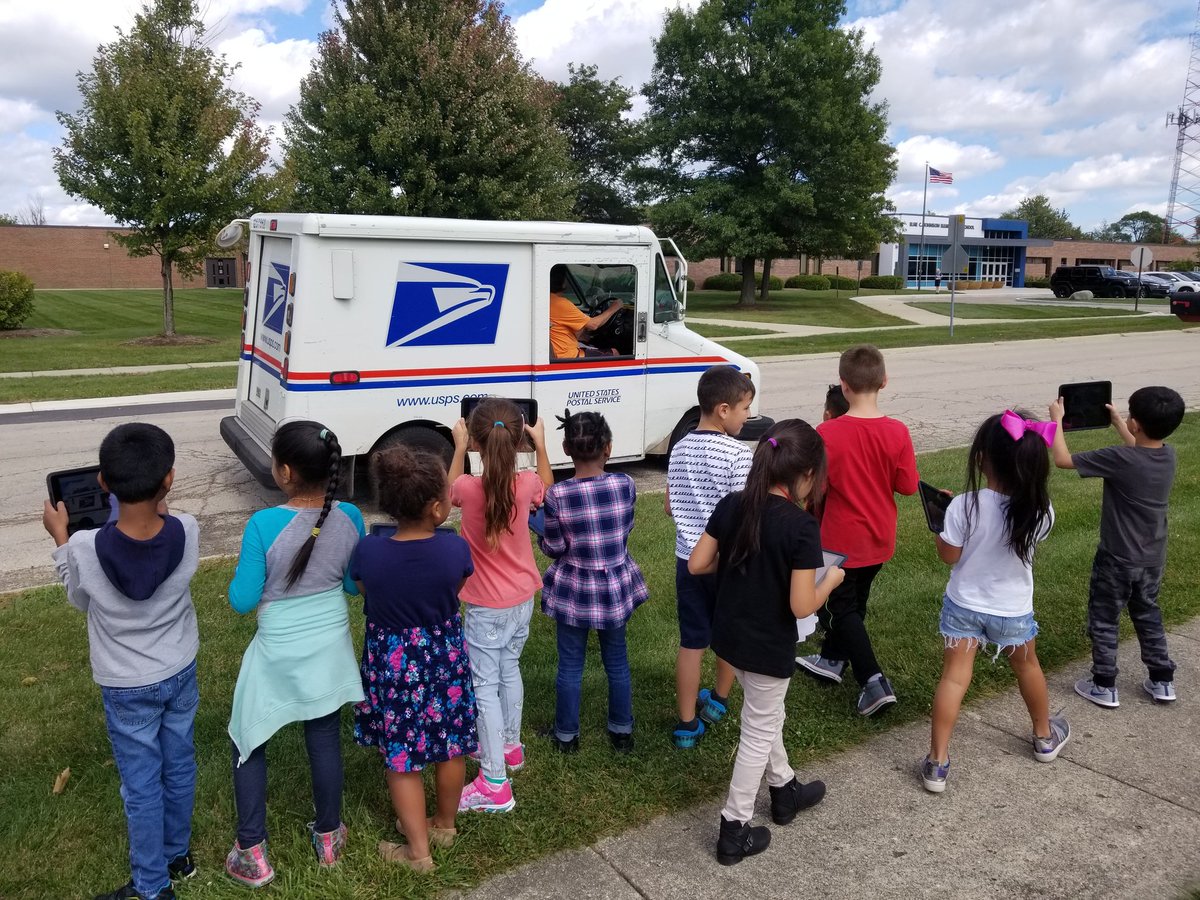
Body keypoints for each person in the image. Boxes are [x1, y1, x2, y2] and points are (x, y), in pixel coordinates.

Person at [43, 423, 200, 900]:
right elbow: (157, 541)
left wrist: (58, 539)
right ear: (169, 479)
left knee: (141, 784)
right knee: (179, 764)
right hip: (179, 670)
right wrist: (160, 507)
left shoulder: (84, 547)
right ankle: (177, 855)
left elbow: (79, 600)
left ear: (104, 484)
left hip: (125, 682)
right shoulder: (188, 529)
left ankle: (152, 887)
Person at [689, 419, 839, 865]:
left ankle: (785, 789)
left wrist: (743, 568)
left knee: (766, 711)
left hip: (730, 637)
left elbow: (698, 564)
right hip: (768, 644)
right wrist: (830, 580)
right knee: (758, 729)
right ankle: (733, 829)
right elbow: (801, 606)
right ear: (807, 475)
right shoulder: (800, 527)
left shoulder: (733, 504)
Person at [224, 422, 366, 887]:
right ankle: (329, 836)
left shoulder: (262, 524)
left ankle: (251, 851)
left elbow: (243, 600)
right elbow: (350, 584)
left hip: (278, 649)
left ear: (283, 471)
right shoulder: (350, 516)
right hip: (329, 643)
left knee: (247, 738)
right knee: (324, 736)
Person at [921, 410, 1070, 794]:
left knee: (954, 678)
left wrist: (942, 523)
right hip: (1013, 611)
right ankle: (1043, 736)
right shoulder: (1041, 511)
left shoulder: (963, 506)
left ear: (982, 458)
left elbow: (949, 556)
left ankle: (937, 762)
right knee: (1027, 667)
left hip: (964, 607)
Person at [353, 446, 477, 873]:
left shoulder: (368, 553)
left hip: (393, 663)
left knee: (402, 756)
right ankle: (444, 824)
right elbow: (457, 588)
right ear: (437, 507)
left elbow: (367, 594)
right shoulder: (454, 550)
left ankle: (417, 851)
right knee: (451, 745)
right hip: (444, 657)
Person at [797, 344, 919, 715]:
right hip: (879, 538)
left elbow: (816, 489)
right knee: (854, 603)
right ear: (884, 382)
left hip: (838, 541)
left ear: (843, 385)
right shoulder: (897, 431)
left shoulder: (828, 433)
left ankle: (872, 680)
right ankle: (833, 658)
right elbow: (908, 486)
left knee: (843, 607)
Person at [1049, 386, 1185, 707]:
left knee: (1104, 617)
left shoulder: (1119, 458)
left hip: (1116, 559)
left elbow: (1062, 460)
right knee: (1147, 613)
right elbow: (1140, 447)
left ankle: (1104, 683)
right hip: (1152, 559)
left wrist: (1057, 421)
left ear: (1136, 423)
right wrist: (1118, 424)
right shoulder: (1167, 455)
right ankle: (1162, 679)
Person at [448, 398, 553, 813]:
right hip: (522, 598)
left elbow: (443, 499)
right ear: (519, 436)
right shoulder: (526, 484)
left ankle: (495, 782)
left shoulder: (468, 489)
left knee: (484, 688)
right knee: (509, 670)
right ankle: (510, 746)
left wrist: (457, 450)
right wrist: (541, 445)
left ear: (474, 440)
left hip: (486, 607)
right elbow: (545, 483)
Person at [540, 409, 649, 752]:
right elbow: (626, 528)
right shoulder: (625, 484)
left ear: (565, 447)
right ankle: (621, 731)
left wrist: (540, 532)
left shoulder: (557, 496)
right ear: (609, 448)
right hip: (615, 586)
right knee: (617, 660)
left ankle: (566, 736)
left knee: (571, 665)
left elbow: (555, 547)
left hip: (574, 591)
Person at [666, 365, 755, 749]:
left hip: (688, 561)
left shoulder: (679, 446)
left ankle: (686, 724)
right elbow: (743, 512)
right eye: (745, 408)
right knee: (728, 635)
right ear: (723, 409)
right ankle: (718, 700)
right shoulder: (738, 454)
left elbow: (671, 506)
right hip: (725, 562)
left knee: (692, 642)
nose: (748, 416)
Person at [549, 263, 623, 359]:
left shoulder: (547, 300)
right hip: (567, 356)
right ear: (563, 281)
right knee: (614, 352)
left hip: (557, 351)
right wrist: (615, 307)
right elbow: (593, 325)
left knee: (587, 341)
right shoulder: (560, 303)